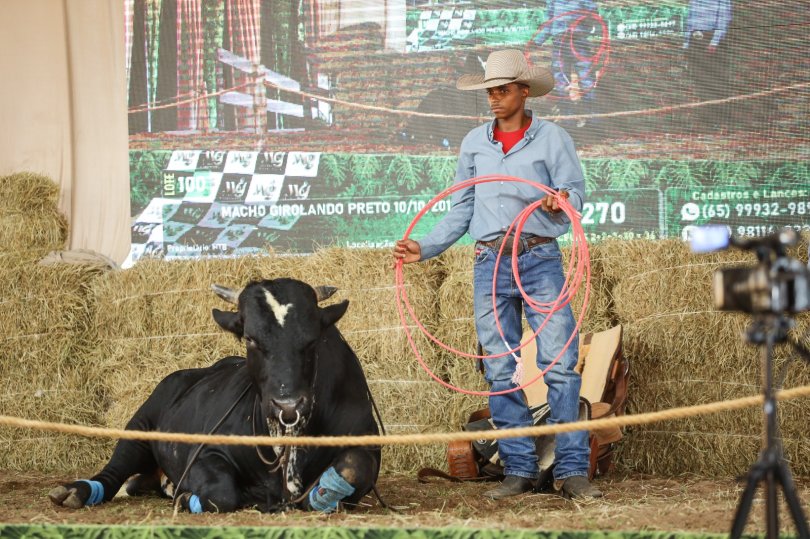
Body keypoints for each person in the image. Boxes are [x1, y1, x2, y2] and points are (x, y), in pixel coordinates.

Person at [393, 49, 601, 500]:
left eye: (503, 90)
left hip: (539, 257)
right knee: (500, 369)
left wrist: (560, 199)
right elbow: (461, 210)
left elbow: (576, 197)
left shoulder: (553, 138)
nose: (494, 98)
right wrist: (424, 246)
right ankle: (520, 469)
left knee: (560, 366)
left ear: (524, 92)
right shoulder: (473, 143)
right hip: (489, 262)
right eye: (490, 91)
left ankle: (570, 470)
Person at [534, 0, 600, 128]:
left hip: (578, 41)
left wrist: (581, 29)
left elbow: (593, 14)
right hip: (560, 44)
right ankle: (567, 121)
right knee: (560, 82)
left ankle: (593, 121)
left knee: (586, 80)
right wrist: (537, 41)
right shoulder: (552, 2)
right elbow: (549, 23)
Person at [682, 0, 733, 126]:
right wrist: (686, 43)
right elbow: (690, 21)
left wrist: (714, 41)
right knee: (700, 80)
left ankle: (719, 118)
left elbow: (724, 19)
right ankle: (706, 118)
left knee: (715, 80)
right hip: (695, 40)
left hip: (711, 40)